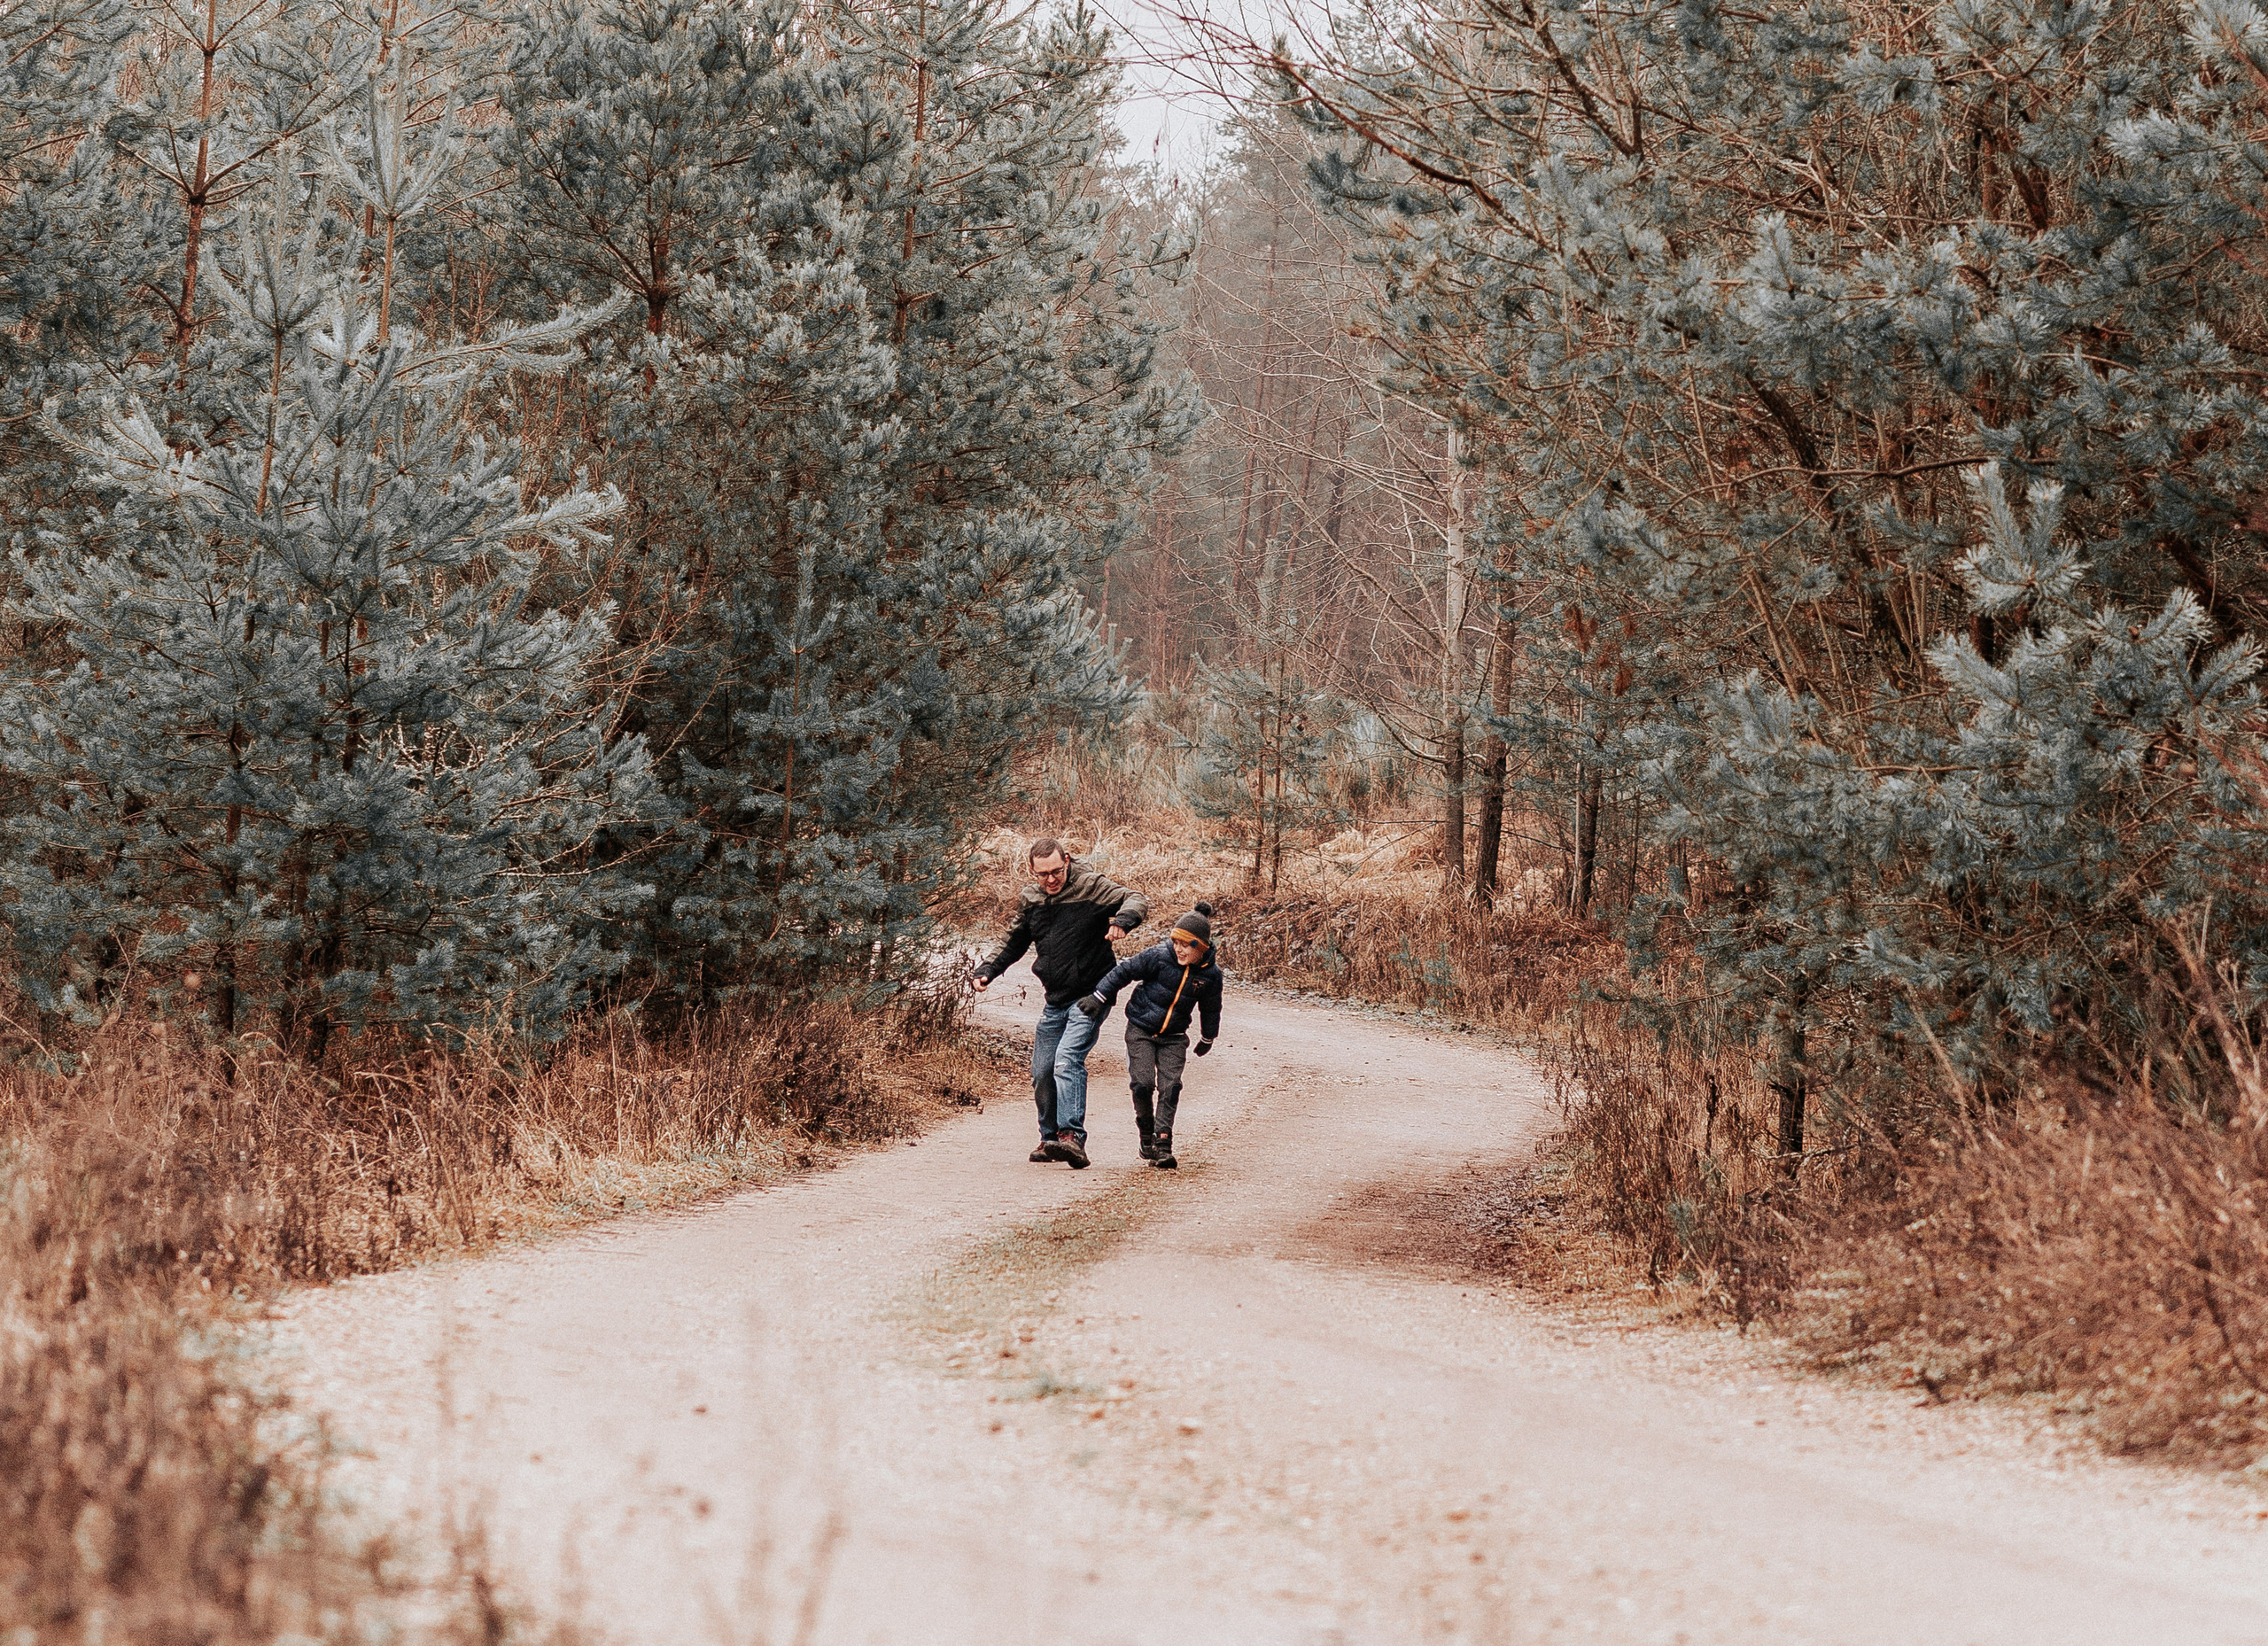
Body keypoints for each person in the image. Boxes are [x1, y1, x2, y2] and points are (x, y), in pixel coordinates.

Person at [971, 837, 1146, 1169]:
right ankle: (1050, 1138)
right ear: (1031, 870)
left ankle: (1072, 1137)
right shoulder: (1032, 898)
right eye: (1043, 874)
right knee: (1042, 1070)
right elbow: (1013, 941)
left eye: (1056, 871)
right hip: (1055, 999)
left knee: (1067, 1059)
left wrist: (1122, 921)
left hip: (1092, 994)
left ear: (1066, 860)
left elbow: (1135, 898)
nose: (1051, 879)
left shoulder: (1091, 887)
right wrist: (987, 970)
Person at [1077, 904, 1222, 1170]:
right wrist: (1099, 996)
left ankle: (1163, 1144)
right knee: (1142, 1084)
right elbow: (1124, 972)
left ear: (1201, 947)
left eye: (1186, 945)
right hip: (1141, 1030)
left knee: (1171, 1087)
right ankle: (1146, 1131)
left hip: (1174, 1037)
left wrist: (1208, 1037)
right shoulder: (1158, 956)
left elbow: (1211, 1008)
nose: (1179, 949)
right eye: (1176, 942)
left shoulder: (1210, 975)